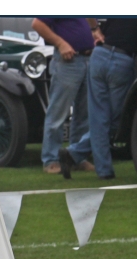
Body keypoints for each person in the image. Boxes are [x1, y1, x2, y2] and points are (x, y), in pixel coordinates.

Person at [60, 17, 137, 179]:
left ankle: (73, 154)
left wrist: (94, 29)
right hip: (123, 60)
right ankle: (102, 170)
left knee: (100, 119)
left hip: (100, 55)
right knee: (114, 121)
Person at [31, 17, 96, 174]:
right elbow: (37, 24)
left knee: (84, 114)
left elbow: (90, 19)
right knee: (58, 112)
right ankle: (50, 160)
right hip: (68, 61)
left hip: (87, 59)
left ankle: (75, 157)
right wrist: (61, 43)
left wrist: (94, 30)